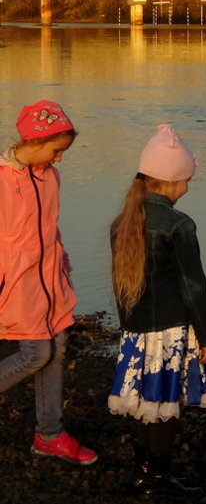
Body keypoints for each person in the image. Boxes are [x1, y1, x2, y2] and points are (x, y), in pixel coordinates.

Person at [109, 125, 206, 498]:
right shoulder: (178, 225)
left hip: (137, 331)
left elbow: (122, 287)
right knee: (166, 404)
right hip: (172, 330)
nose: (188, 186)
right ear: (172, 181)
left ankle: (143, 472)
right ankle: (156, 479)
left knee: (144, 402)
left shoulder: (123, 221)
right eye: (187, 179)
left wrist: (129, 328)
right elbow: (193, 287)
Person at [0, 100, 98, 465]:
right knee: (36, 354)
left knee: (56, 352)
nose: (59, 159)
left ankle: (50, 434)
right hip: (18, 283)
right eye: (56, 151)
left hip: (51, 279)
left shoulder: (48, 177)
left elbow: (49, 228)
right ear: (35, 140)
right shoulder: (2, 180)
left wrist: (61, 264)